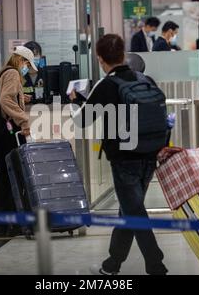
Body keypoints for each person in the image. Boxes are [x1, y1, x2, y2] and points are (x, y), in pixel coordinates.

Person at [70, 34, 168, 275]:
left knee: (134, 211)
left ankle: (156, 265)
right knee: (129, 209)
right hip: (149, 155)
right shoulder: (145, 79)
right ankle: (111, 265)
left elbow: (82, 120)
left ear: (101, 59)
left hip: (124, 159)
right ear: (123, 55)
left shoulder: (106, 85)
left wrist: (73, 102)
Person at [0, 46, 35, 236]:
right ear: (20, 60)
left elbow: (7, 97)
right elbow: (5, 100)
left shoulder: (4, 72)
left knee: (5, 177)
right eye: (27, 63)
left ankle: (3, 223)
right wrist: (23, 120)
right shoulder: (12, 74)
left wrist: (21, 97)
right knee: (14, 177)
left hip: (2, 135)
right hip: (10, 133)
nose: (27, 68)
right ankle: (14, 223)